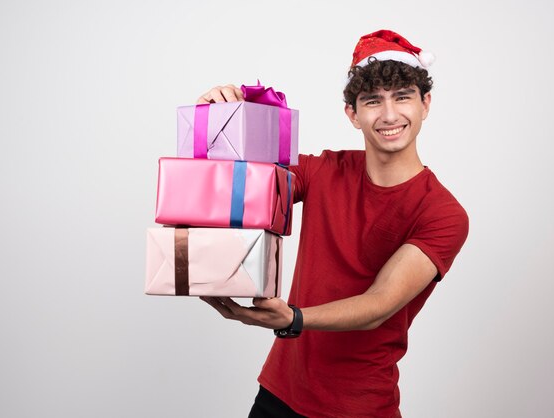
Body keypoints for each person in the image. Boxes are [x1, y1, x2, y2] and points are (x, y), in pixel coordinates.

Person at [198, 29, 469, 418]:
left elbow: (378, 305)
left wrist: (294, 319)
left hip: (358, 408)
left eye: (403, 97)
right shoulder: (325, 170)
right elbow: (234, 188)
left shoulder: (442, 214)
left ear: (425, 104)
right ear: (352, 114)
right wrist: (218, 119)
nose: (389, 115)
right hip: (278, 394)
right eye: (373, 101)